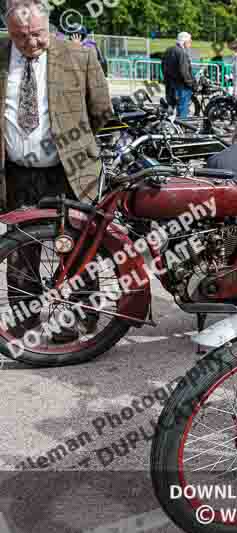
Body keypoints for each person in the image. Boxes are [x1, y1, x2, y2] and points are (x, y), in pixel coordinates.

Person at [1, 0, 112, 340]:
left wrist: (78, 147)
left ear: (48, 26)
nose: (31, 43)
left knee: (76, 246)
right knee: (21, 250)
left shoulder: (79, 55)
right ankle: (25, 321)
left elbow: (101, 112)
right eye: (21, 37)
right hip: (15, 173)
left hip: (69, 171)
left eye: (37, 34)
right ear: (9, 31)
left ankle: (79, 317)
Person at [161, 32, 195, 118]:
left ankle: (169, 127)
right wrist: (191, 84)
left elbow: (163, 66)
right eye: (189, 41)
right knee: (182, 109)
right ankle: (182, 128)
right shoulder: (181, 53)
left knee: (170, 108)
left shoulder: (168, 50)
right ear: (184, 42)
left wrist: (166, 80)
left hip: (170, 84)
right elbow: (184, 71)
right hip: (182, 86)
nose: (191, 43)